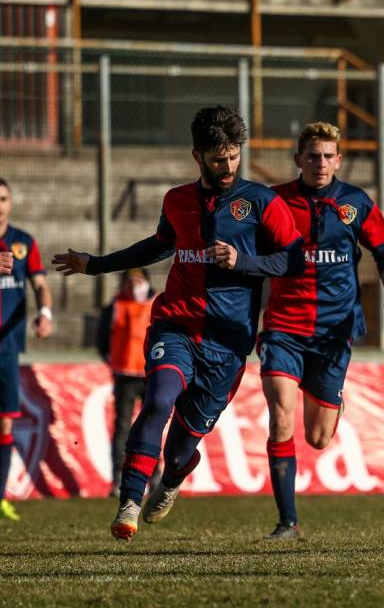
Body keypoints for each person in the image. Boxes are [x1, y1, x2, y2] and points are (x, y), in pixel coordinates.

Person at [53, 106, 303, 542]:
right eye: (217, 158)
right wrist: (95, 265)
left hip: (228, 345)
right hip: (176, 326)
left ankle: (170, 481)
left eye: (233, 156)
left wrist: (243, 261)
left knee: (182, 447)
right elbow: (158, 246)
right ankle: (129, 502)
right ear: (197, 156)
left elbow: (295, 259)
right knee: (158, 400)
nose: (227, 167)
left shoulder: (262, 202)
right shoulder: (177, 200)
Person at [258, 121, 384, 540]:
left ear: (338, 160)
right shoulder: (274, 202)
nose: (320, 163)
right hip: (283, 328)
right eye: (312, 156)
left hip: (334, 332)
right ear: (298, 160)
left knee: (319, 438)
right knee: (280, 416)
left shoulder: (355, 202)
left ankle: (330, 402)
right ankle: (287, 521)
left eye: (327, 156)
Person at [0, 177, 53, 521]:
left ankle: (0, 497)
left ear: (11, 202)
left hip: (7, 347)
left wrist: (44, 313)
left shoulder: (23, 242)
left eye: (3, 198)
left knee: (5, 424)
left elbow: (40, 285)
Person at [96, 268, 156, 497]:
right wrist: (112, 362)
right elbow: (103, 339)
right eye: (130, 281)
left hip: (152, 373)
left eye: (139, 280)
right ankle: (117, 478)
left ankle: (155, 476)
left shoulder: (157, 302)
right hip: (124, 375)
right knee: (122, 427)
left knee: (152, 426)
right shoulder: (115, 305)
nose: (134, 285)